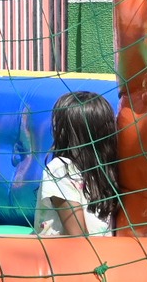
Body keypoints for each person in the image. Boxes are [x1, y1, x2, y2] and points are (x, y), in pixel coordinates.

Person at [35, 90, 121, 238]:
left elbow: (78, 237)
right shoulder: (64, 169)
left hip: (81, 255)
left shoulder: (65, 168)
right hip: (86, 255)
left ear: (65, 132)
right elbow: (79, 236)